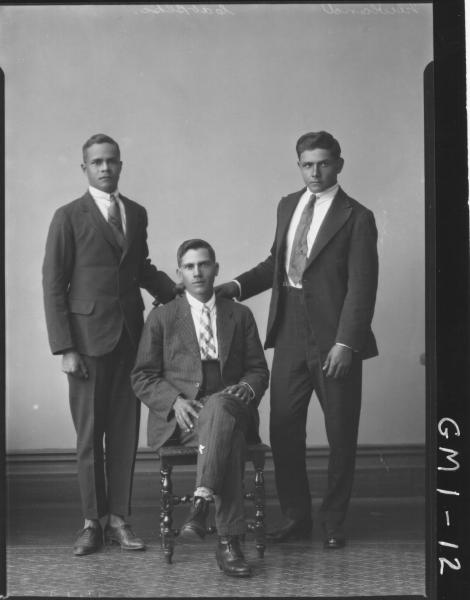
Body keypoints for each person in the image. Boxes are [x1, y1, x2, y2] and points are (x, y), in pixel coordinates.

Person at [216, 131, 379, 549]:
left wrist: (346, 344)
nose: (315, 172)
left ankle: (334, 522)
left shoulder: (357, 216)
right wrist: (234, 286)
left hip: (334, 337)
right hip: (288, 329)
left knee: (341, 431)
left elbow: (362, 287)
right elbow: (277, 262)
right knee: (285, 427)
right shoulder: (288, 204)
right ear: (299, 165)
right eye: (307, 164)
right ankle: (296, 517)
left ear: (339, 164)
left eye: (323, 163)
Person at [42, 133, 176, 556]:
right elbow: (53, 285)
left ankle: (119, 520)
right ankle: (90, 524)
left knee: (123, 435)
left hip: (130, 341)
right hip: (85, 345)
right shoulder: (68, 216)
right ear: (84, 168)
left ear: (120, 165)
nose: (105, 168)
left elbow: (140, 268)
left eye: (112, 161)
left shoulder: (135, 213)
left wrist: (180, 292)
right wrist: (66, 347)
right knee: (89, 437)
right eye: (96, 162)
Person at [131, 239, 269, 577]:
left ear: (216, 269)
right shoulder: (163, 317)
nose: (197, 272)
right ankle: (228, 543)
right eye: (190, 267)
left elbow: (258, 370)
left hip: (231, 405)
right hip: (186, 419)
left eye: (204, 264)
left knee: (222, 405)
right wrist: (175, 401)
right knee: (229, 439)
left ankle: (202, 502)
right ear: (180, 273)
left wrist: (247, 388)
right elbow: (142, 376)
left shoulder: (240, 314)